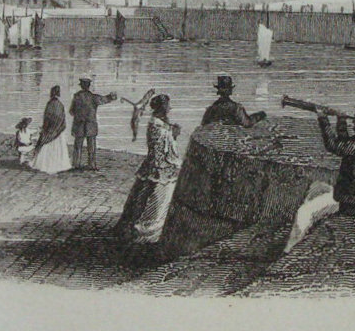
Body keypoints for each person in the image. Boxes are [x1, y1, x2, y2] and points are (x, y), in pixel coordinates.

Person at [115, 94, 184, 244]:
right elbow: (162, 147)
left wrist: (172, 132)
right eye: (167, 106)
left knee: (143, 194)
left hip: (156, 165)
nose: (169, 108)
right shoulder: (156, 125)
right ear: (161, 108)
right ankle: (147, 231)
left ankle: (136, 227)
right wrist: (173, 133)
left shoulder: (159, 122)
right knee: (156, 197)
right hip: (159, 166)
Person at [315, 104, 355, 215]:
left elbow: (334, 146)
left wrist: (323, 119)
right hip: (354, 198)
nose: (353, 121)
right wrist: (341, 120)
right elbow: (344, 142)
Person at [69, 76, 117, 170]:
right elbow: (105, 99)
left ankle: (76, 164)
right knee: (91, 146)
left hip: (79, 124)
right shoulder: (93, 97)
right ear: (89, 86)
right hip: (91, 125)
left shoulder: (77, 96)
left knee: (78, 146)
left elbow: (71, 111)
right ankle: (92, 164)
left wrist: (79, 115)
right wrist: (111, 96)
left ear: (81, 86)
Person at [27, 86, 72, 174]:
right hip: (58, 131)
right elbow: (62, 119)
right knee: (59, 149)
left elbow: (47, 119)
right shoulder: (60, 104)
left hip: (50, 130)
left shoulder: (49, 104)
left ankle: (45, 165)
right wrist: (59, 127)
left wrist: (45, 129)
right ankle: (59, 165)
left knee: (45, 147)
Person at [201, 75, 266, 127]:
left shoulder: (211, 109)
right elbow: (247, 123)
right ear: (230, 90)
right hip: (231, 141)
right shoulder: (236, 107)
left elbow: (203, 124)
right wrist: (258, 116)